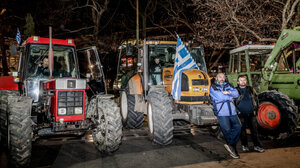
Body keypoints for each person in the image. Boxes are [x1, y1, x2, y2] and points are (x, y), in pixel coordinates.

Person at [210, 73, 241, 159]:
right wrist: (229, 97)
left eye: (223, 77)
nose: (222, 78)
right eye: (220, 77)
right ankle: (233, 149)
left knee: (238, 127)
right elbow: (219, 96)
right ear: (216, 78)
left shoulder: (229, 85)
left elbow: (236, 94)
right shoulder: (213, 86)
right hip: (222, 112)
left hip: (233, 112)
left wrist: (228, 92)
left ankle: (230, 145)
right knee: (227, 130)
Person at [235, 75, 265, 153]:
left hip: (251, 114)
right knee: (243, 132)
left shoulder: (251, 89)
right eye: (241, 80)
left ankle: (257, 146)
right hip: (241, 114)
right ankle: (245, 145)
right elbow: (232, 102)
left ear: (246, 81)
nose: (243, 82)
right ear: (238, 82)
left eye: (244, 80)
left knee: (254, 131)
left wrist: (256, 109)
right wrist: (237, 110)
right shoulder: (235, 90)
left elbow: (256, 99)